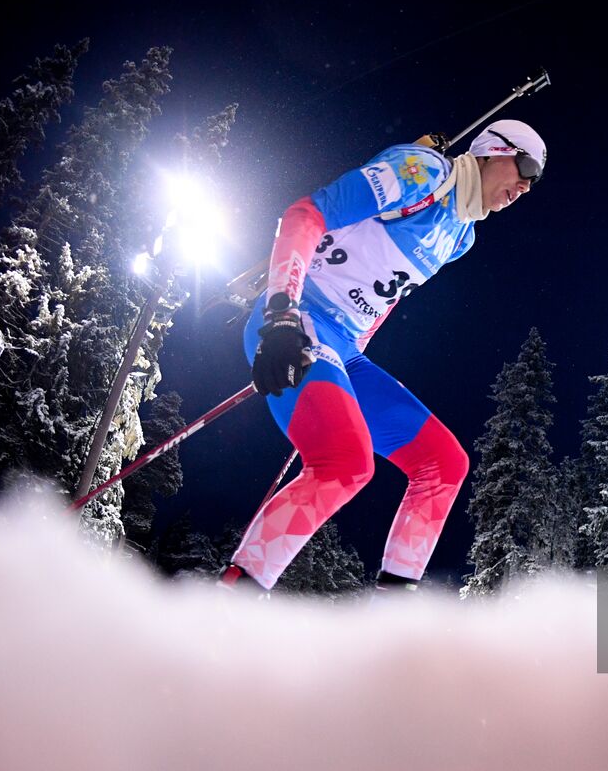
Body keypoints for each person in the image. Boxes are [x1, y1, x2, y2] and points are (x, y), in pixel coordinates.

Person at [217, 120, 546, 595]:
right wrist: (282, 315)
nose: (524, 186)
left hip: (345, 350)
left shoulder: (461, 237)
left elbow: (386, 294)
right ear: (495, 150)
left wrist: (346, 367)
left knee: (443, 463)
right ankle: (236, 594)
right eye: (525, 167)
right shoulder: (423, 174)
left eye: (533, 182)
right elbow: (304, 215)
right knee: (345, 462)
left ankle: (392, 612)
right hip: (300, 318)